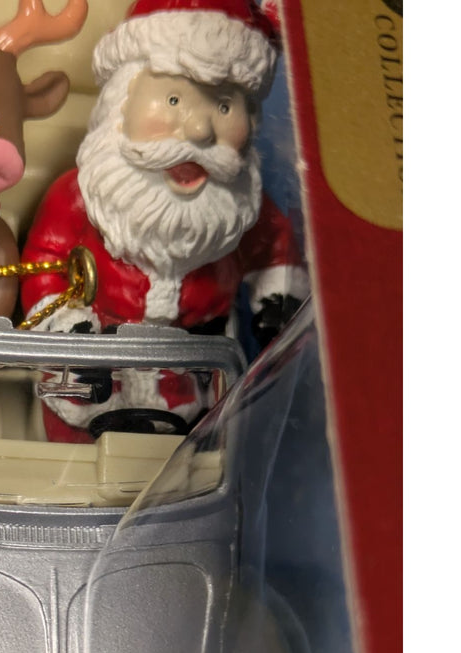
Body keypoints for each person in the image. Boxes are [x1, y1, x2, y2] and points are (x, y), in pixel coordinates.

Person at [21, 0, 307, 443]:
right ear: (122, 102)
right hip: (93, 378)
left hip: (193, 391)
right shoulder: (80, 195)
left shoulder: (240, 207)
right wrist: (63, 322)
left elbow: (274, 248)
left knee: (190, 466)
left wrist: (278, 299)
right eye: (173, 100)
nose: (199, 131)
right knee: (75, 458)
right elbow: (44, 260)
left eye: (224, 107)